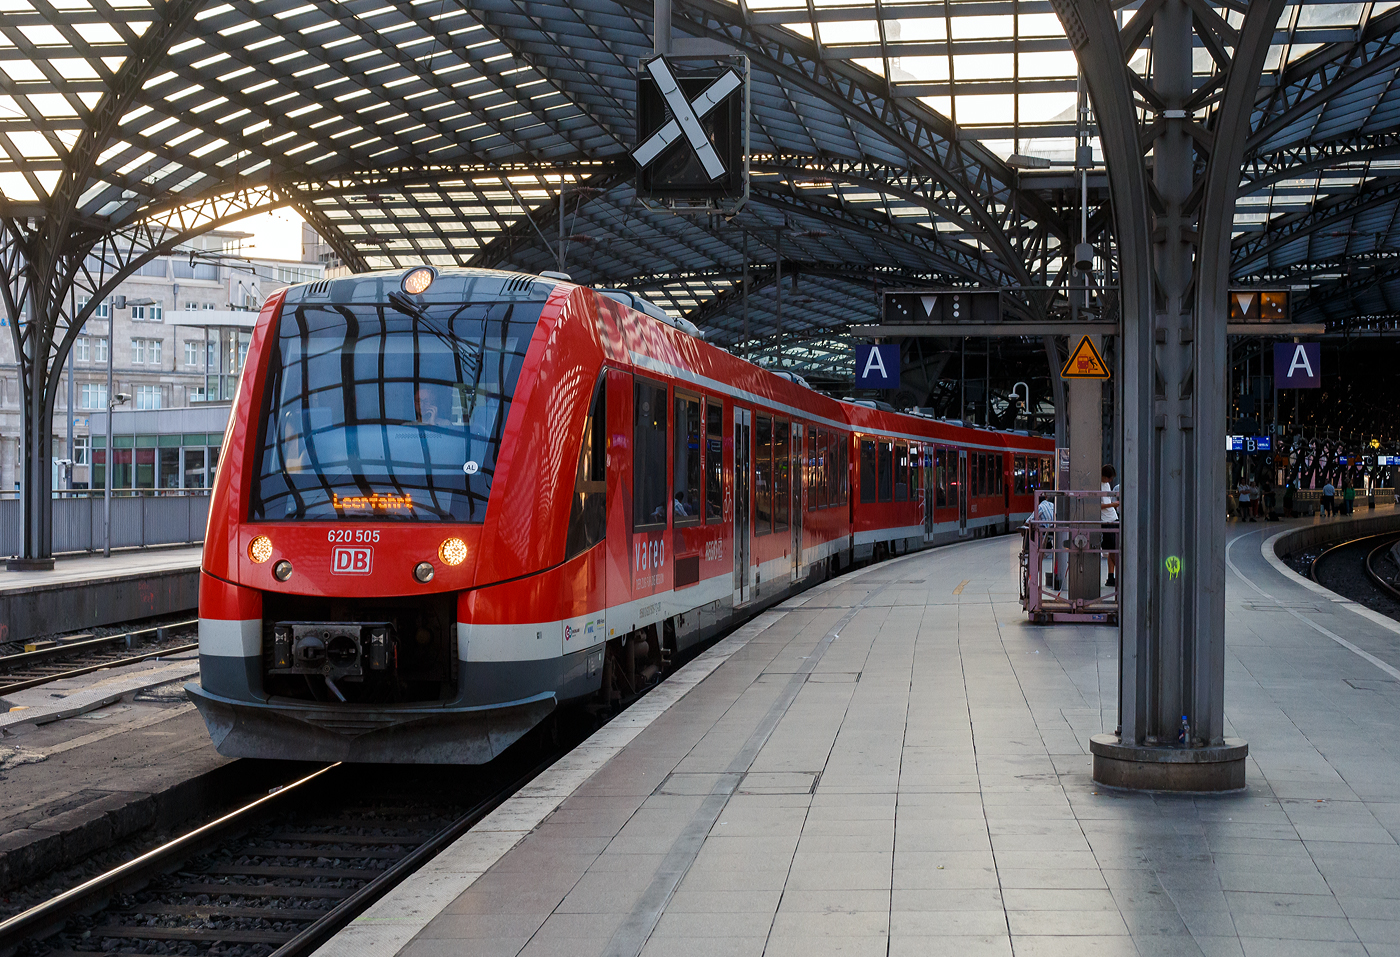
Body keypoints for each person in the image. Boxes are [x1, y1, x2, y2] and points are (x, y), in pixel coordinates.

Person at [1101, 464, 1120, 588]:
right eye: (1109, 478)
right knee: (1113, 550)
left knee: (1113, 549)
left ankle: (1111, 576)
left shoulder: (1106, 485)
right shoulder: (1098, 486)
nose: (1110, 481)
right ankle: (1116, 576)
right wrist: (1113, 505)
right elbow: (1099, 505)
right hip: (1106, 521)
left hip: (1113, 518)